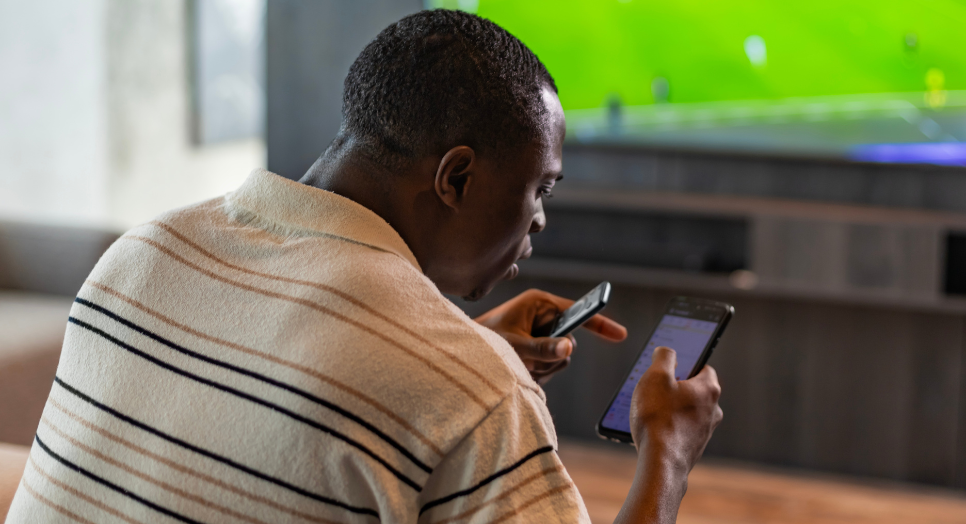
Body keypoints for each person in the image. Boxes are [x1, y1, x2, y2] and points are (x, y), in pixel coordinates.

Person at [6, 9, 722, 524]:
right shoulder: (473, 392)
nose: (538, 219)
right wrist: (668, 453)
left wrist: (461, 353)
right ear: (458, 179)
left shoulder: (142, 250)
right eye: (540, 188)